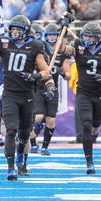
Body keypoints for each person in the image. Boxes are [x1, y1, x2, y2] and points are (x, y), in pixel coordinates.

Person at [0, 8, 53, 181]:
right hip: (9, 94)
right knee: (10, 130)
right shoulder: (4, 43)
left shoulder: (35, 46)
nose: (14, 32)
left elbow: (46, 72)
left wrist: (35, 76)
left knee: (24, 135)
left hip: (27, 95)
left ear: (25, 30)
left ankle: (21, 158)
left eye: (18, 29)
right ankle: (10, 168)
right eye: (13, 29)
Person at [61, 21, 101, 174]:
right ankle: (89, 162)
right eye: (85, 36)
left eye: (90, 37)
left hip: (99, 93)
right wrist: (63, 30)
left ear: (97, 38)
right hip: (83, 92)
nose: (86, 39)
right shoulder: (78, 45)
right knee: (86, 124)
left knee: (94, 127)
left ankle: (93, 137)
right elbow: (62, 49)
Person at [29, 23, 71, 155]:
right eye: (49, 35)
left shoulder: (61, 53)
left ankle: (45, 147)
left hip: (53, 89)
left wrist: (62, 72)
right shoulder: (40, 50)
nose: (52, 38)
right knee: (38, 116)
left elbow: (69, 75)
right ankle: (33, 143)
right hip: (39, 87)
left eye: (54, 35)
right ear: (45, 36)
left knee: (51, 119)